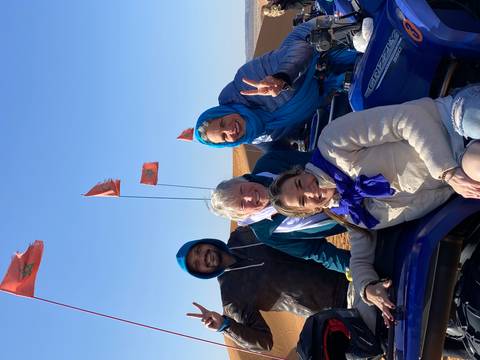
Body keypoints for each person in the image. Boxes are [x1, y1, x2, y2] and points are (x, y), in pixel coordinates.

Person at [268, 88, 480, 325]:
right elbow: (358, 261)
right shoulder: (354, 215)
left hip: (451, 121)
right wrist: (368, 288)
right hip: (463, 166)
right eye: (303, 200)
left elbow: (408, 119)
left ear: (299, 171)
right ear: (310, 211)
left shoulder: (332, 143)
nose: (309, 191)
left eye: (299, 184)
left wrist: (446, 171)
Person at [176, 227, 349, 352]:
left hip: (342, 262)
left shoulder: (242, 235)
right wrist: (225, 326)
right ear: (202, 273)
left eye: (199, 250)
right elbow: (264, 342)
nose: (203, 257)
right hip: (339, 304)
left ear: (206, 243)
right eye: (197, 264)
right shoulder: (231, 296)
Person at [194, 19, 358, 149]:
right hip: (332, 82)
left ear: (223, 111)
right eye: (223, 137)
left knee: (369, 39)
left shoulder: (246, 82)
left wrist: (282, 77)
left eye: (222, 123)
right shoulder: (259, 136)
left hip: (322, 43)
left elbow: (301, 49)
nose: (229, 130)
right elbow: (279, 154)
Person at [211, 150, 349, 273]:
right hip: (356, 217)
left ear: (243, 180)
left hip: (349, 173)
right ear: (243, 216)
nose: (249, 196)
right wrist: (353, 269)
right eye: (242, 204)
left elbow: (317, 159)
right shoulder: (266, 234)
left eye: (242, 190)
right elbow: (317, 251)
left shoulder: (269, 163)